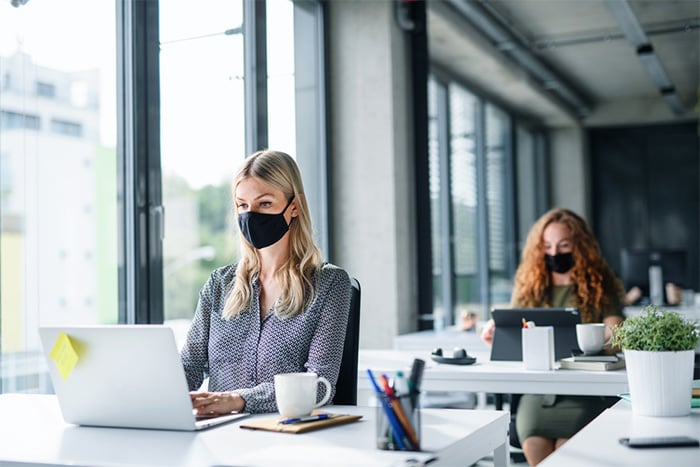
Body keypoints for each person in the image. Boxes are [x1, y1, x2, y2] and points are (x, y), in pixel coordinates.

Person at [180, 150, 352, 416]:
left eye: (265, 204)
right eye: (243, 205)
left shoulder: (330, 284)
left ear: (294, 207)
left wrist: (238, 400)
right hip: (217, 434)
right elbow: (189, 366)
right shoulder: (219, 284)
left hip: (286, 439)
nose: (251, 215)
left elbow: (320, 384)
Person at [481, 208, 624, 466]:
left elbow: (615, 332)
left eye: (563, 245)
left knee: (565, 454)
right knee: (537, 447)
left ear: (580, 246)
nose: (554, 253)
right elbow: (512, 327)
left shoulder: (601, 284)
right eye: (547, 246)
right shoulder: (530, 285)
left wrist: (605, 334)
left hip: (584, 391)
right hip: (538, 394)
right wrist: (495, 332)